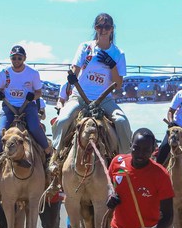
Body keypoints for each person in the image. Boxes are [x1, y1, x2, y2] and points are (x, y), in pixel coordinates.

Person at [51, 13, 130, 157]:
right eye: (100, 26)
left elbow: (118, 85)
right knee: (62, 120)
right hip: (80, 97)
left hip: (104, 100)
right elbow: (75, 68)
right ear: (96, 28)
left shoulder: (118, 53)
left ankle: (125, 159)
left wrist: (112, 65)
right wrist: (72, 76)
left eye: (107, 27)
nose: (103, 30)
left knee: (121, 121)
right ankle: (55, 156)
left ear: (112, 29)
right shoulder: (85, 47)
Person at [0, 45, 48, 162]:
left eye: (19, 58)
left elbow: (39, 92)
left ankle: (49, 153)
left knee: (34, 128)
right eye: (14, 58)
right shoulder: (3, 72)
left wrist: (33, 96)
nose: (16, 61)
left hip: (28, 106)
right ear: (10, 58)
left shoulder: (33, 73)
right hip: (9, 107)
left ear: (24, 58)